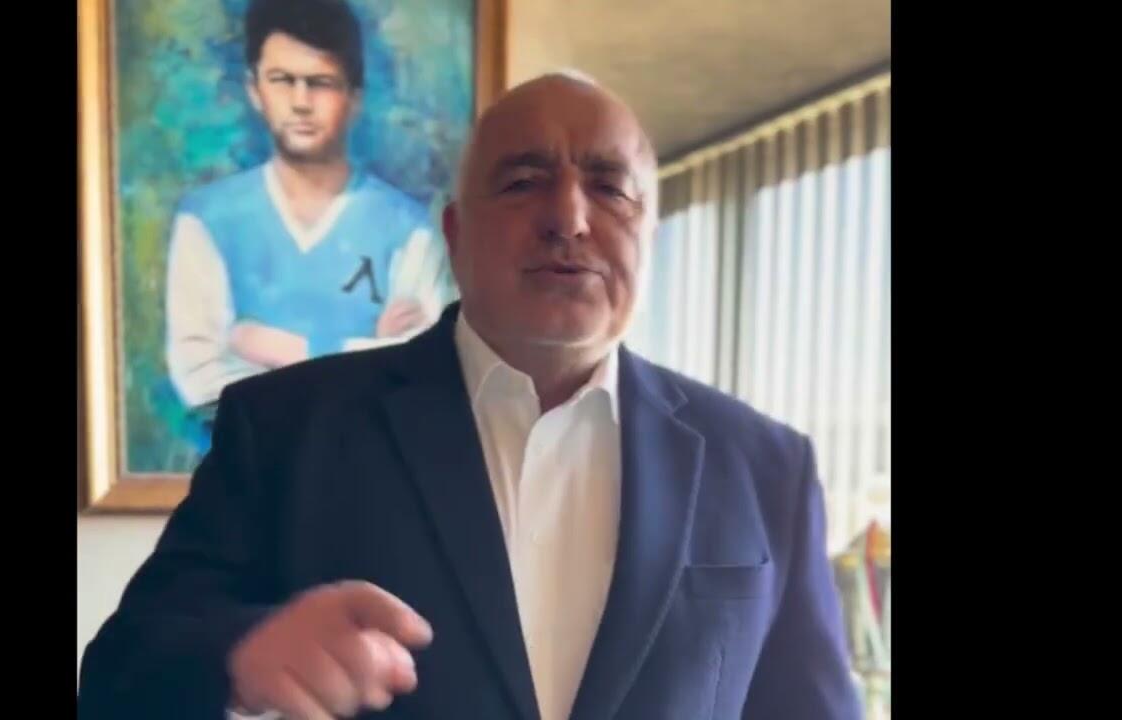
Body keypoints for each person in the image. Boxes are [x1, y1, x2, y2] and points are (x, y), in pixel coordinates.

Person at [79, 72, 863, 720]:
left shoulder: (766, 467)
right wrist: (241, 658)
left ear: (648, 236)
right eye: (523, 182)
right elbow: (118, 674)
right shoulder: (285, 427)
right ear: (455, 236)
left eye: (610, 188)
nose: (569, 218)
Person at [165, 0, 447, 447]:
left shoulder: (409, 231)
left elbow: (422, 375)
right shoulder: (206, 220)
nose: (300, 102)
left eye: (321, 83)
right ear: (254, 89)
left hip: (367, 475)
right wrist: (364, 353)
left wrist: (284, 349)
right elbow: (200, 376)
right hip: (246, 474)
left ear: (354, 98)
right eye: (282, 80)